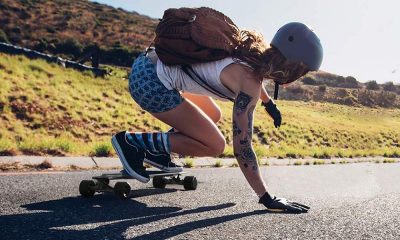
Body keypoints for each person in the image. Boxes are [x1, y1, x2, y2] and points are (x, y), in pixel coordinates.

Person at [112, 21, 323, 213]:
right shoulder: (249, 84)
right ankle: (132, 142)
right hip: (149, 84)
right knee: (215, 145)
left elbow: (254, 75)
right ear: (293, 67)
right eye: (302, 72)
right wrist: (267, 197)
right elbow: (243, 147)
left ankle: (158, 151)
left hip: (149, 63)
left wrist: (268, 103)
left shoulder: (252, 51)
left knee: (214, 113)